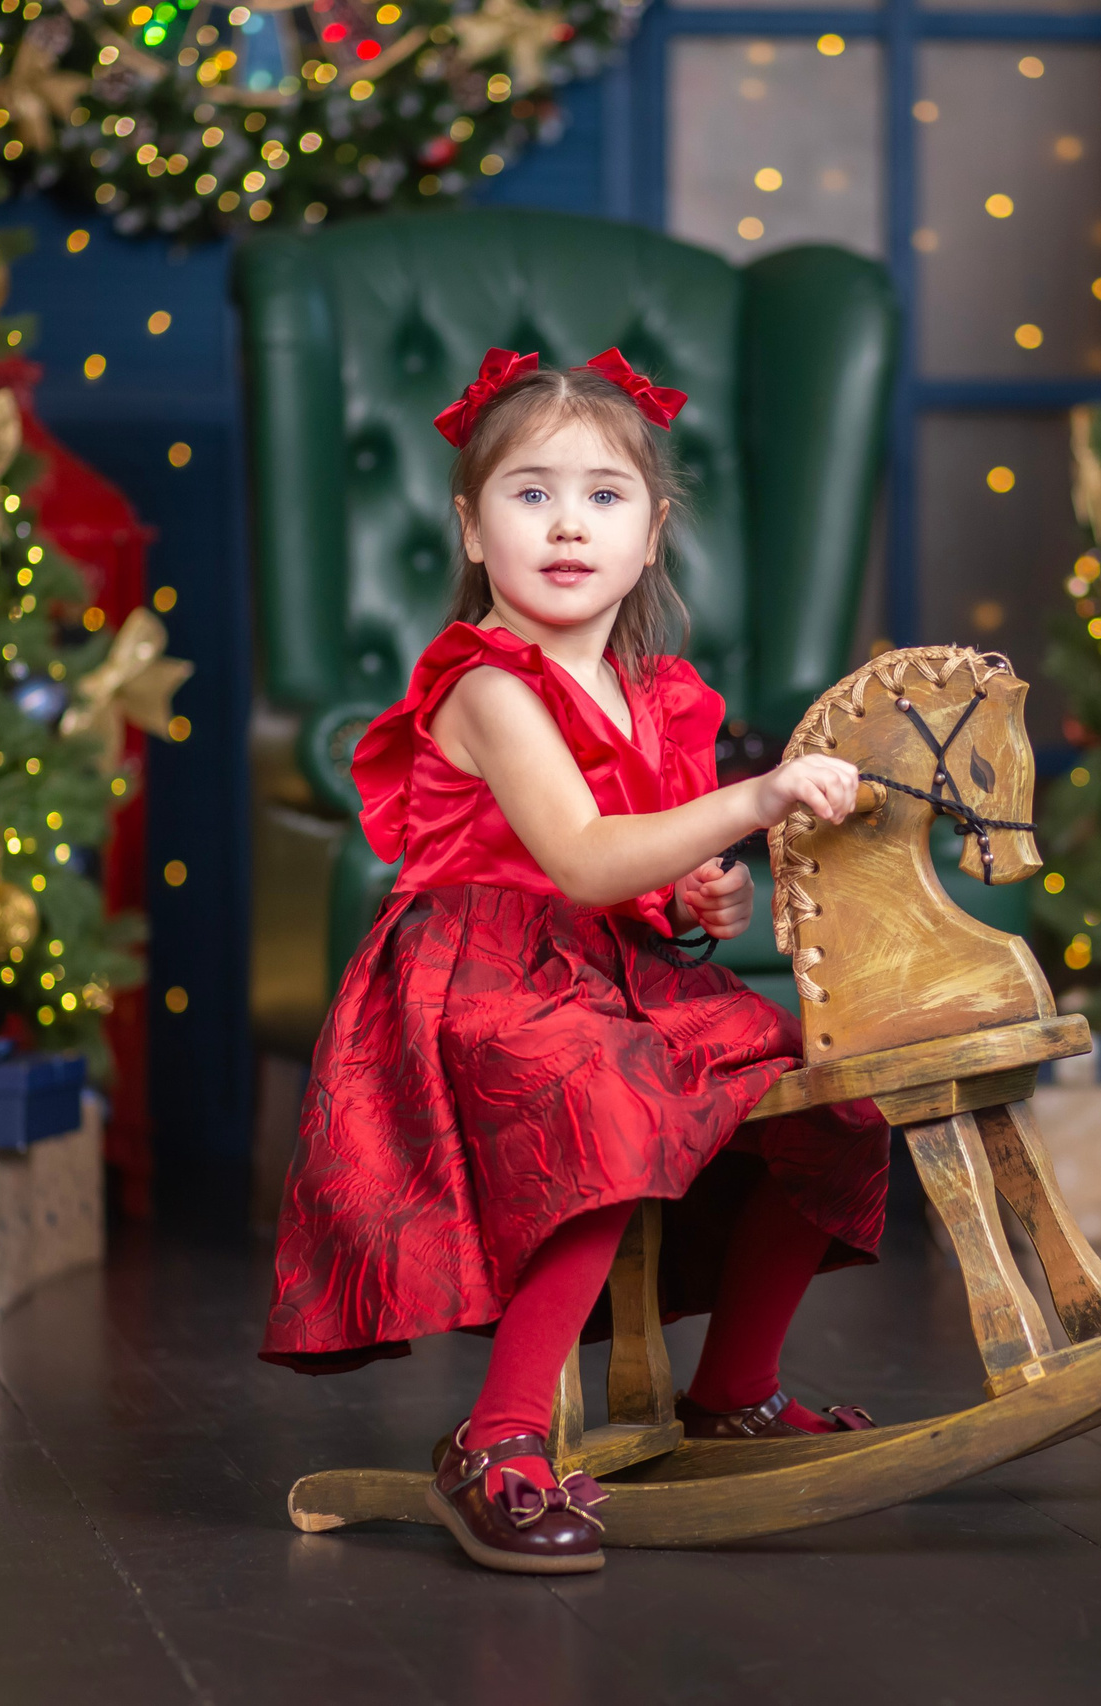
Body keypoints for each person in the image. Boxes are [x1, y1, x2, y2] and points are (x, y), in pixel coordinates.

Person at [261, 347, 891, 1575]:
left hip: (605, 968)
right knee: (596, 1101)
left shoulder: (655, 696)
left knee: (834, 1092)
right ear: (471, 524)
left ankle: (736, 1388)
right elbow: (587, 857)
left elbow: (644, 878)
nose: (565, 524)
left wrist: (702, 894)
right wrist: (753, 800)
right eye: (529, 492)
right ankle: (496, 1437)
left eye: (603, 496)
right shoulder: (488, 684)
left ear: (651, 534)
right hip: (475, 976)